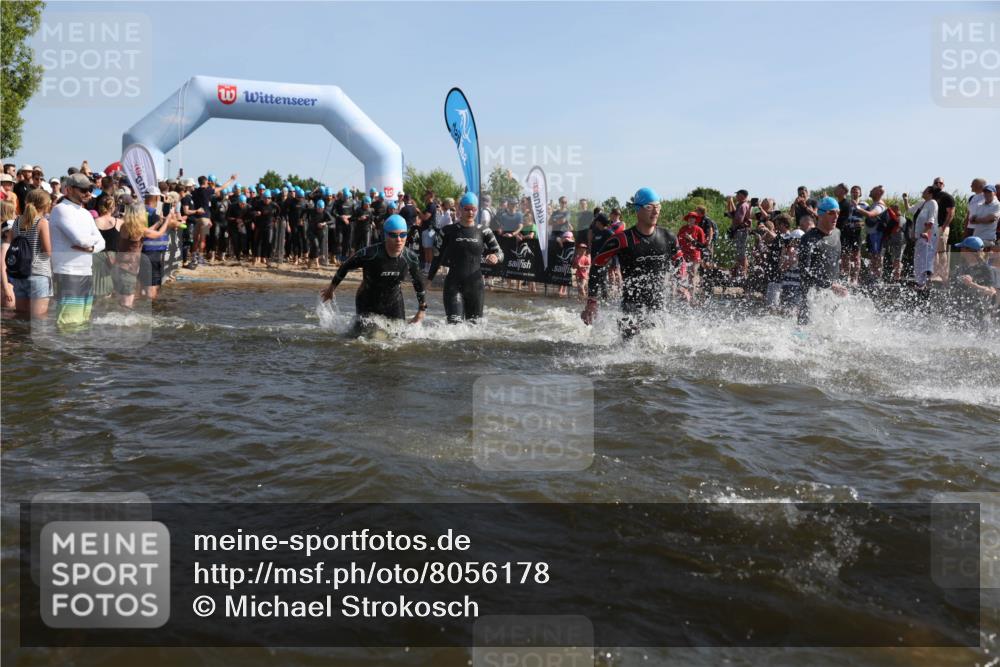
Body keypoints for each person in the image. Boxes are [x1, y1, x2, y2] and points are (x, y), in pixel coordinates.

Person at [582, 187, 679, 339]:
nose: (655, 211)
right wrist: (592, 301)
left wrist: (682, 284)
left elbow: (680, 262)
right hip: (631, 305)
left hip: (658, 305)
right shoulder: (622, 239)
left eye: (658, 206)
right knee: (628, 352)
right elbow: (597, 265)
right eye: (649, 207)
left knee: (657, 347)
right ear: (637, 209)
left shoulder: (668, 237)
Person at [320, 214, 427, 329]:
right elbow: (345, 266)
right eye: (393, 235)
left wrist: (422, 310)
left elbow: (418, 282)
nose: (399, 240)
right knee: (364, 338)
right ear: (385, 235)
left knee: (398, 339)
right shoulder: (370, 254)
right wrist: (331, 289)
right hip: (367, 301)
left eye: (403, 234)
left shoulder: (410, 257)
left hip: (393, 301)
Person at [427, 192, 503, 324]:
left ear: (477, 210)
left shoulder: (484, 231)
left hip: (475, 286)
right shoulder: (447, 231)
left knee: (474, 331)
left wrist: (495, 257)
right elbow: (437, 257)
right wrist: (429, 279)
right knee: (455, 327)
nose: (470, 212)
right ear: (460, 209)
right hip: (453, 285)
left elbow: (500, 253)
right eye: (467, 209)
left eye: (473, 209)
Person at [48, 173, 106, 329]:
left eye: (89, 189)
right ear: (69, 189)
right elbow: (79, 240)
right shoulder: (60, 209)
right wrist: (90, 243)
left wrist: (91, 248)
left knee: (82, 322)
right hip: (68, 272)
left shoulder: (86, 213)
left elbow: (102, 242)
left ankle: (77, 353)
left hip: (86, 272)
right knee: (68, 323)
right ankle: (65, 353)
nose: (88, 193)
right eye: (83, 189)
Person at [797, 197, 848, 325]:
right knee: (804, 340)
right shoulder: (808, 239)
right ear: (820, 214)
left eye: (838, 212)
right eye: (831, 212)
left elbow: (834, 263)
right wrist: (830, 285)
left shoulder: (837, 233)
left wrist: (837, 284)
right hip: (812, 299)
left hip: (833, 297)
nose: (836, 216)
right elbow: (804, 272)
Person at [9, 188, 53, 319]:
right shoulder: (42, 222)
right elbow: (47, 251)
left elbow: (12, 243)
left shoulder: (17, 221)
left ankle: (18, 339)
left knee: (21, 317)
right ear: (45, 205)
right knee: (39, 319)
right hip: (38, 273)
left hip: (19, 274)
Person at [950, 236, 997, 321]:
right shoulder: (962, 266)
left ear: (969, 251)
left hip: (978, 313)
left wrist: (972, 284)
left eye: (962, 248)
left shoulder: (985, 269)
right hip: (960, 310)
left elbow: (991, 291)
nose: (960, 250)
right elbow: (952, 286)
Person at [904, 187, 939, 289]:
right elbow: (909, 210)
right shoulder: (922, 203)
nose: (922, 191)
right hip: (920, 236)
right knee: (919, 259)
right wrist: (905, 200)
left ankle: (926, 283)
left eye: (925, 190)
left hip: (928, 235)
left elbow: (931, 218)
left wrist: (925, 232)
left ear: (930, 193)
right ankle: (920, 282)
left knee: (926, 259)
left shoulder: (933, 203)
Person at [853, 185, 887, 283]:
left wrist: (857, 207)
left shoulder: (879, 205)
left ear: (878, 193)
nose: (870, 191)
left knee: (877, 256)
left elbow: (870, 214)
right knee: (873, 256)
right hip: (872, 234)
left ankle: (877, 278)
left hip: (877, 235)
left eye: (872, 190)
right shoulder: (874, 203)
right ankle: (873, 276)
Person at [932, 177, 956, 282]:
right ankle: (935, 273)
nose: (938, 184)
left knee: (941, 250)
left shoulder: (947, 197)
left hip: (942, 226)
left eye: (940, 183)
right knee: (933, 251)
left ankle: (943, 276)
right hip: (932, 227)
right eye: (936, 182)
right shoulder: (931, 197)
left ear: (943, 185)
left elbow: (951, 213)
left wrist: (944, 226)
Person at [677, 211, 707, 291]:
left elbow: (703, 245)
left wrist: (692, 240)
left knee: (692, 274)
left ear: (696, 220)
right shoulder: (683, 229)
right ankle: (683, 294)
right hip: (684, 254)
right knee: (682, 273)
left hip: (695, 254)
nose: (691, 219)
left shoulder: (699, 230)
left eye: (693, 218)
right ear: (687, 219)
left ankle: (692, 294)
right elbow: (677, 240)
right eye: (690, 217)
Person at [967, 184, 999, 248]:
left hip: (988, 238)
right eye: (985, 192)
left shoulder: (997, 205)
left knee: (972, 251)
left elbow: (990, 220)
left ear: (995, 193)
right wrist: (983, 219)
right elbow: (971, 220)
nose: (987, 194)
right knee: (965, 250)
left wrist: (977, 219)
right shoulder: (980, 205)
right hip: (976, 236)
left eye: (989, 192)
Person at [729, 189, 752, 278]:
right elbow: (733, 214)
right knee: (740, 253)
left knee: (742, 253)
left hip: (742, 231)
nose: (736, 196)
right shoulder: (742, 205)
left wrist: (733, 225)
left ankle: (743, 274)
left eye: (737, 194)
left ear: (742, 195)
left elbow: (739, 219)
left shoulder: (743, 205)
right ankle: (741, 273)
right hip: (742, 231)